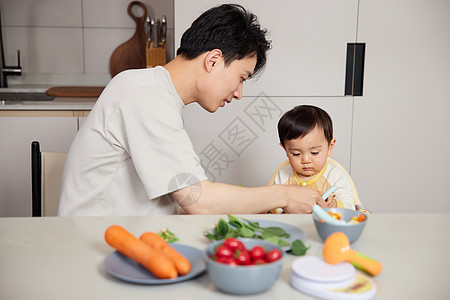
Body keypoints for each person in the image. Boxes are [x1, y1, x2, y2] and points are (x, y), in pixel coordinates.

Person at [58, 4, 326, 216]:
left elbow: (187, 201)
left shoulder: (156, 94)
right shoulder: (145, 96)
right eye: (241, 78)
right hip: (97, 252)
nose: (238, 93)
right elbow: (196, 200)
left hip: (129, 240)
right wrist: (284, 195)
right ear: (213, 60)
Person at [268, 105, 356, 213]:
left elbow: (350, 205)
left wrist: (335, 205)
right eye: (296, 154)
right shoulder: (283, 176)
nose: (306, 160)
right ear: (285, 149)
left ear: (330, 147)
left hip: (325, 226)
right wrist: (286, 209)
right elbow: (273, 206)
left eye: (314, 153)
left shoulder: (335, 175)